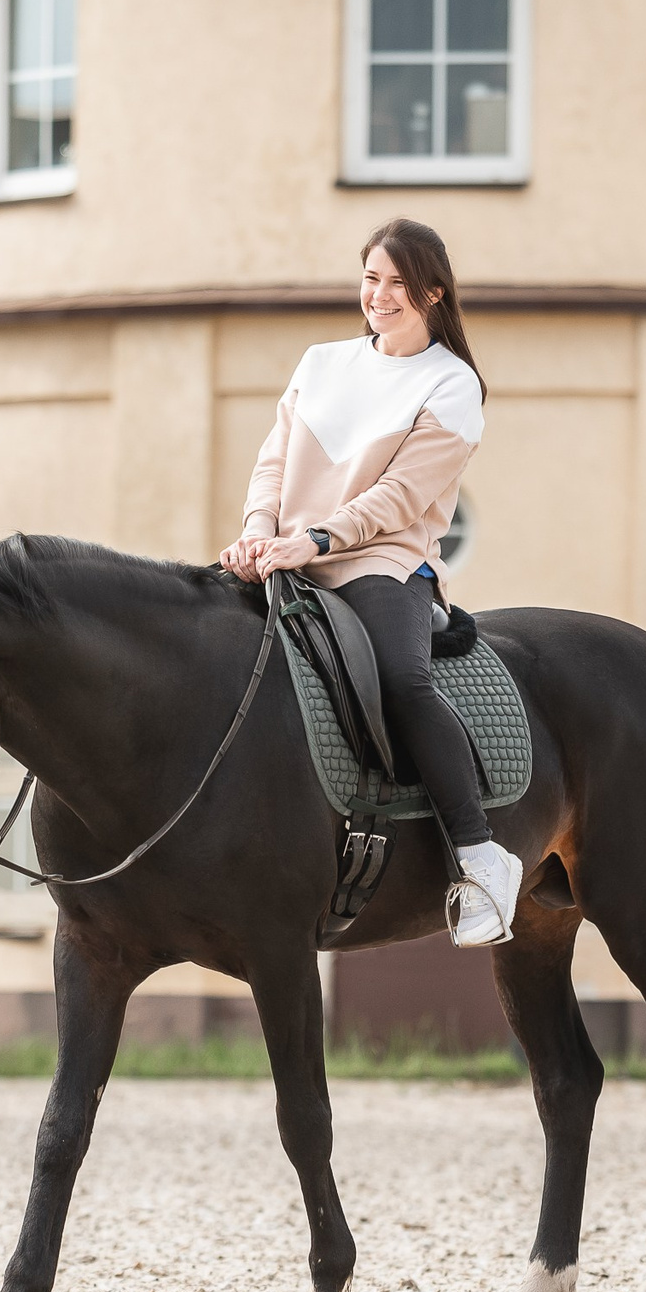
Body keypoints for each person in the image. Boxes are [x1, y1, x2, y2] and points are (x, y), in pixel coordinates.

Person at [220, 218, 523, 946]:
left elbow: (400, 497)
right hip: (285, 551)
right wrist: (258, 530)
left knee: (400, 680)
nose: (379, 296)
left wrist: (317, 539)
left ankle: (481, 856)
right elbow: (273, 461)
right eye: (371, 279)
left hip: (380, 561)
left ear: (433, 293)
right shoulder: (321, 362)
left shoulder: (453, 384)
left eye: (397, 283)